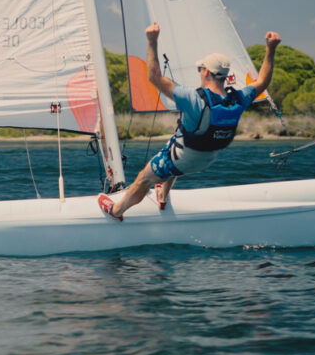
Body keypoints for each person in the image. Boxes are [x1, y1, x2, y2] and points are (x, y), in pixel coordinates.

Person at [99, 22, 281, 220]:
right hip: (207, 159)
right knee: (179, 137)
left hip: (184, 159)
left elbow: (154, 77)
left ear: (206, 72)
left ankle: (116, 211)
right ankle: (163, 195)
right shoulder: (238, 98)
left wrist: (152, 42)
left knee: (144, 178)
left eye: (200, 68)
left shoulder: (194, 99)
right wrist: (270, 49)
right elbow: (263, 81)